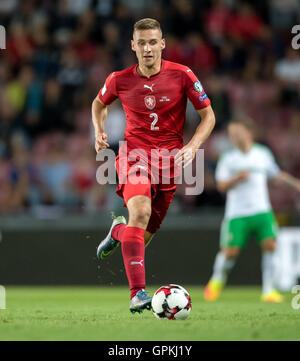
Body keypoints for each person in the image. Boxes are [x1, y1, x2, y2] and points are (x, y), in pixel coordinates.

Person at [91, 18, 215, 313]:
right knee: (141, 211)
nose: (147, 48)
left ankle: (117, 232)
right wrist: (99, 129)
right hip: (134, 156)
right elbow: (99, 104)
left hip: (169, 165)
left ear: (162, 44)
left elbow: (208, 116)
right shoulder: (119, 79)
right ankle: (137, 294)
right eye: (141, 43)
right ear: (133, 46)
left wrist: (193, 145)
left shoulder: (183, 75)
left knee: (138, 237)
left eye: (152, 42)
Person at [204, 116, 300, 303]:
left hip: (262, 210)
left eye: (236, 132)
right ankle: (216, 280)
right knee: (230, 252)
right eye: (231, 134)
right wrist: (236, 179)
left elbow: (276, 175)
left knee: (270, 246)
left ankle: (268, 290)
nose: (233, 136)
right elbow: (221, 186)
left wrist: (295, 184)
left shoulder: (262, 154)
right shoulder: (229, 158)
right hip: (237, 214)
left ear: (248, 133)